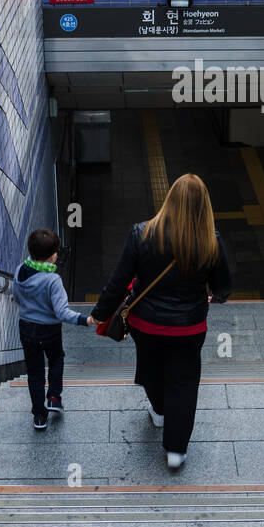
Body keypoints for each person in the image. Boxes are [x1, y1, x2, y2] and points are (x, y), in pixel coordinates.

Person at [88, 174, 231, 470]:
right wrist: (213, 296)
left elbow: (119, 281)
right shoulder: (210, 239)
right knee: (184, 381)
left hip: (146, 324)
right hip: (189, 327)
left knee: (151, 368)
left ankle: (159, 409)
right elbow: (223, 287)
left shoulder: (141, 234)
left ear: (169, 199)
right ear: (204, 206)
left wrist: (100, 313)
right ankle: (176, 450)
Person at [12, 227, 87, 430]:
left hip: (26, 328)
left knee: (34, 371)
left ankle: (39, 416)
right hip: (49, 330)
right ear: (52, 256)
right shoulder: (52, 280)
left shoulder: (20, 271)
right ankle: (54, 397)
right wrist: (84, 320)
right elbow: (62, 313)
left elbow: (16, 297)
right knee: (56, 359)